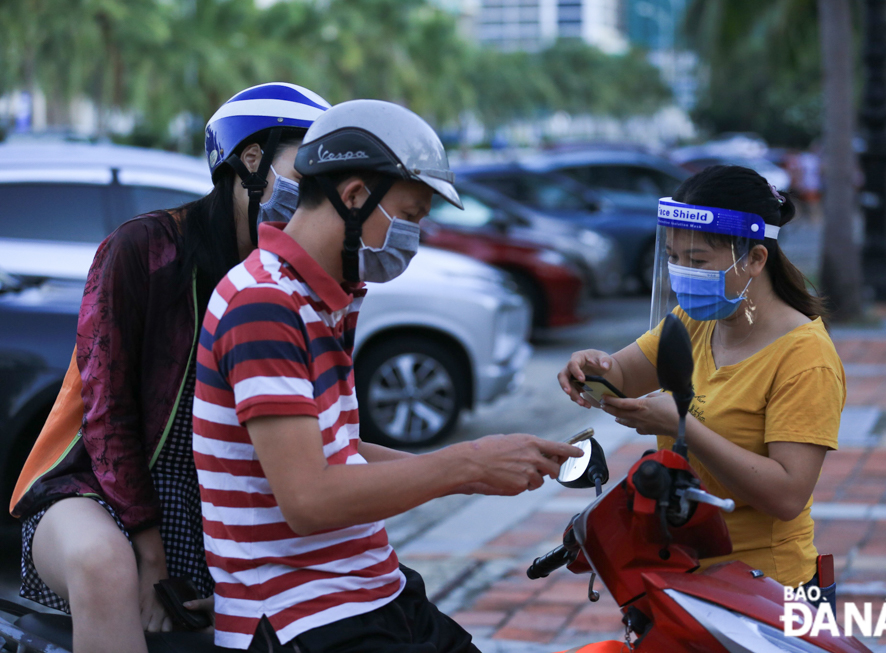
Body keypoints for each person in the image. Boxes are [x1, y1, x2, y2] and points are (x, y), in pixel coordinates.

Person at [193, 99, 582, 652]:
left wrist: (483, 466)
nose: (416, 235)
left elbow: (339, 453)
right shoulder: (263, 303)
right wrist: (463, 464)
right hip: (299, 613)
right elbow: (308, 499)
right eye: (412, 214)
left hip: (369, 592)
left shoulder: (323, 298)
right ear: (354, 196)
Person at [9, 82, 330, 653]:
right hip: (94, 489)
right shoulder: (144, 248)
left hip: (215, 498)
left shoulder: (300, 275)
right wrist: (151, 557)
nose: (311, 202)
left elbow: (310, 438)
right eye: (303, 176)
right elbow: (107, 413)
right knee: (104, 566)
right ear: (250, 160)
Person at [558, 165, 843, 607]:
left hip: (769, 592)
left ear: (755, 259)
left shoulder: (805, 358)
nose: (681, 271)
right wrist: (590, 367)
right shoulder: (695, 321)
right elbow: (623, 375)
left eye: (697, 261)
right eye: (673, 257)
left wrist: (682, 423)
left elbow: (787, 494)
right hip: (685, 577)